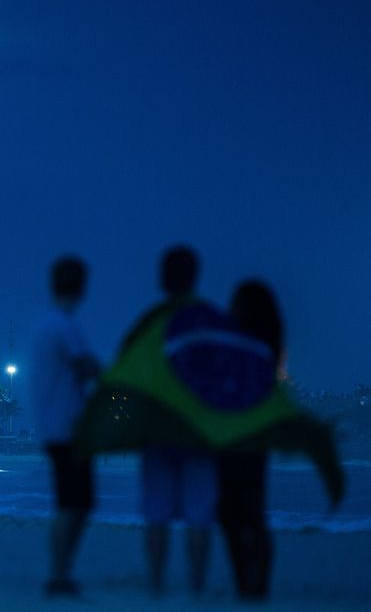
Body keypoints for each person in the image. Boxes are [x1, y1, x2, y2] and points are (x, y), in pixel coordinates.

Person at [129, 245, 216, 595]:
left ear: (161, 279)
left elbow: (131, 377)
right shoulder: (210, 320)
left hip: (158, 432)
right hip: (197, 431)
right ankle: (196, 588)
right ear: (196, 277)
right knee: (199, 517)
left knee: (157, 515)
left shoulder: (150, 323)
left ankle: (156, 586)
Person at [29, 256, 101, 596]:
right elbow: (87, 367)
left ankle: (60, 572)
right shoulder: (64, 325)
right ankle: (58, 574)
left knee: (74, 504)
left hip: (54, 428)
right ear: (82, 287)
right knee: (75, 505)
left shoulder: (47, 325)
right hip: (68, 430)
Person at [216, 280, 282, 600]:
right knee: (252, 510)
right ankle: (256, 584)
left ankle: (246, 580)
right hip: (255, 440)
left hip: (231, 440)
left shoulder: (239, 348)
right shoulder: (267, 350)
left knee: (232, 513)